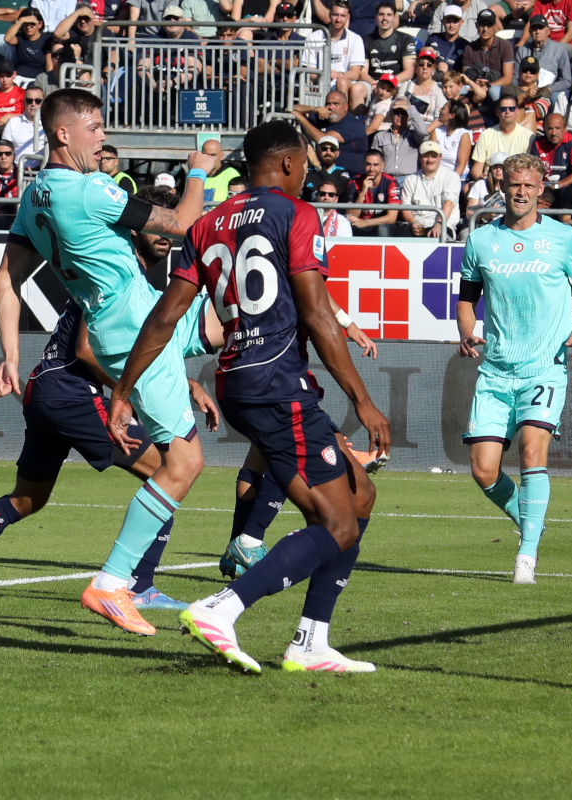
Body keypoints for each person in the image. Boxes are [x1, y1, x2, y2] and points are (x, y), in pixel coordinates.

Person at [132, 119, 391, 674]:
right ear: (291, 165)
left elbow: (166, 314)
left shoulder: (204, 225)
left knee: (359, 494)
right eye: (306, 165)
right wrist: (363, 401)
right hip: (277, 381)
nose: (308, 175)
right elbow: (318, 315)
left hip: (239, 381)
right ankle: (222, 608)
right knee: (339, 524)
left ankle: (312, 641)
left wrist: (123, 388)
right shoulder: (296, 214)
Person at [0, 88, 224, 636]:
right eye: (93, 127)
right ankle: (114, 583)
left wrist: (10, 357)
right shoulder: (88, 190)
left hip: (142, 318)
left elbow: (7, 279)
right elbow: (183, 222)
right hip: (136, 329)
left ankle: (305, 453)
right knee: (185, 465)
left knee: (240, 312)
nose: (102, 136)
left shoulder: (36, 196)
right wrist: (197, 171)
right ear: (63, 134)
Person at [0, 188, 205, 609]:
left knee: (27, 499)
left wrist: (186, 384)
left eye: (168, 226)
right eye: (156, 224)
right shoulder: (113, 271)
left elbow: (142, 348)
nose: (163, 233)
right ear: (132, 229)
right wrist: (125, 391)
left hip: (47, 389)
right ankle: (140, 586)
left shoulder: (122, 274)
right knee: (172, 472)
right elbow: (85, 349)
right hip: (71, 389)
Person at [458, 152, 572, 585]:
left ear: (541, 189)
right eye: (513, 184)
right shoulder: (482, 240)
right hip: (497, 370)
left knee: (532, 454)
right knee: (483, 469)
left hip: (545, 367)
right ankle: (530, 518)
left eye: (528, 185)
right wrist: (467, 331)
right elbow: (467, 298)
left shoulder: (562, 237)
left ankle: (526, 556)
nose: (520, 192)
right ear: (502, 186)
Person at [304, 0, 369, 112]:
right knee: (304, 85)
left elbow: (355, 73)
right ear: (330, 15)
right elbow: (309, 70)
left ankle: (341, 117)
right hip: (320, 83)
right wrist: (324, 74)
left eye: (342, 16)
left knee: (342, 81)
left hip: (345, 84)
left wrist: (339, 74)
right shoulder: (313, 37)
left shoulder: (355, 39)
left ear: (348, 17)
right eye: (335, 15)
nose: (338, 19)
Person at [293, 90, 369, 176]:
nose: (331, 107)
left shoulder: (353, 124)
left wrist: (302, 119)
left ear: (346, 106)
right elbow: (292, 108)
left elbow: (324, 140)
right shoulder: (323, 117)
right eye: (328, 103)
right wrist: (314, 109)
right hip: (325, 176)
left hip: (352, 177)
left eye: (336, 104)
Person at [400, 139, 460, 236]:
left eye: (434, 156)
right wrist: (413, 222)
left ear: (440, 157)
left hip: (444, 224)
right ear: (420, 158)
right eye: (426, 156)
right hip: (417, 225)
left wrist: (439, 224)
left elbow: (449, 203)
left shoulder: (452, 177)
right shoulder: (410, 179)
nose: (430, 160)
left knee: (437, 235)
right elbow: (405, 207)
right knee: (400, 233)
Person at [470, 95, 535, 179]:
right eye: (503, 109)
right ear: (497, 112)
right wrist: (481, 179)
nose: (507, 112)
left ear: (517, 111)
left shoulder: (529, 136)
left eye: (511, 109)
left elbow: (530, 169)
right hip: (491, 182)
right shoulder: (485, 135)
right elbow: (477, 168)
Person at [361, 0, 417, 88]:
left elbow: (410, 71)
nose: (385, 18)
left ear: (395, 18)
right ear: (375, 17)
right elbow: (362, 72)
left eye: (389, 15)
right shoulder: (366, 40)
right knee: (357, 89)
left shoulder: (406, 39)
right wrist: (374, 83)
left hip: (397, 82)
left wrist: (388, 82)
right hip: (373, 83)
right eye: (381, 14)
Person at [347, 147, 403, 235]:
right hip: (360, 224)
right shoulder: (354, 183)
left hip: (380, 224)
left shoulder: (391, 183)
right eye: (368, 164)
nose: (371, 169)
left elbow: (392, 218)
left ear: (382, 166)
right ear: (363, 164)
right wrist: (362, 194)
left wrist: (365, 223)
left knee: (383, 228)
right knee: (348, 226)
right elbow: (350, 216)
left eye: (375, 165)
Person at [516, 13, 572, 95]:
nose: (538, 31)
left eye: (541, 28)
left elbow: (566, 80)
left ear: (548, 31)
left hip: (549, 91)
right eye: (534, 29)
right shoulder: (522, 51)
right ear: (530, 32)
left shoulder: (559, 49)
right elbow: (515, 78)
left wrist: (549, 89)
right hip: (524, 91)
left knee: (556, 98)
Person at [455, 9, 514, 88]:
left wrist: (488, 87)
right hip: (475, 88)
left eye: (489, 25)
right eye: (482, 25)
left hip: (498, 88)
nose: (485, 29)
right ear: (476, 25)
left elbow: (507, 79)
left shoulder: (505, 45)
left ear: (495, 26)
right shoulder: (469, 48)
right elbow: (466, 77)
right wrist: (474, 83)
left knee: (494, 92)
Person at [528, 112, 572, 187]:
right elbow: (533, 171)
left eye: (558, 128)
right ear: (544, 128)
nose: (553, 133)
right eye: (550, 129)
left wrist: (556, 186)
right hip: (543, 186)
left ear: (565, 128)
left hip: (565, 186)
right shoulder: (537, 143)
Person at [372, 103, 425, 176]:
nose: (400, 115)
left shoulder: (414, 134)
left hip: (409, 178)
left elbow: (423, 132)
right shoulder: (380, 136)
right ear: (391, 114)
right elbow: (375, 160)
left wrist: (410, 109)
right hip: (388, 179)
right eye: (396, 112)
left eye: (404, 112)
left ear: (408, 116)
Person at [502, 54, 551, 131]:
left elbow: (540, 111)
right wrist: (525, 95)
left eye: (532, 71)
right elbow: (505, 109)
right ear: (519, 72)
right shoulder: (509, 89)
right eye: (525, 70)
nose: (528, 72)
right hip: (513, 132)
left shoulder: (544, 90)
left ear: (538, 74)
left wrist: (516, 108)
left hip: (537, 135)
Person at [2, 85, 47, 166]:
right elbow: (4, 150)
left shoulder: (50, 123)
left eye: (38, 101)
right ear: (24, 102)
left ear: (43, 103)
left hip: (43, 170)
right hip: (17, 171)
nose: (33, 104)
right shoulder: (13, 122)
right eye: (29, 101)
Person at [3, 7, 50, 79]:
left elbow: (49, 66)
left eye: (32, 24)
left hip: (37, 79)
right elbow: (7, 39)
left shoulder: (47, 39)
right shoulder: (20, 38)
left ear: (40, 24)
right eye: (26, 24)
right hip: (19, 77)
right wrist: (20, 21)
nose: (28, 27)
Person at [303, 134, 353, 201]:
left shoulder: (344, 172)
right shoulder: (307, 172)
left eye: (332, 149)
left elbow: (340, 188)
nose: (328, 152)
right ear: (317, 152)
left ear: (337, 153)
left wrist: (318, 166)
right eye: (324, 149)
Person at [431, 98, 472, 178]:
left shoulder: (463, 134)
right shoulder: (436, 132)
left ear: (452, 115)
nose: (440, 111)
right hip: (437, 177)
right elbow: (431, 159)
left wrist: (451, 182)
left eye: (443, 108)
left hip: (457, 178)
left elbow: (461, 165)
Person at [424, 4, 470, 72]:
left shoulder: (465, 46)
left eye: (455, 21)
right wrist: (423, 49)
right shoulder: (433, 38)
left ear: (461, 22)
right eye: (448, 21)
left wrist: (447, 72)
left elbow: (465, 74)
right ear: (442, 21)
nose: (451, 25)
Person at [199, 138, 241, 205]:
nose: (209, 158)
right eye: (206, 155)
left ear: (221, 156)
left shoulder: (231, 174)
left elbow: (236, 205)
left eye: (213, 155)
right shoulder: (196, 175)